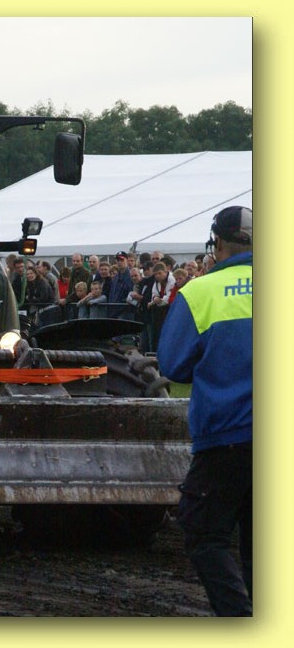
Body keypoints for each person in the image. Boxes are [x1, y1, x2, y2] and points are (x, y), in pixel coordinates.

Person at [157, 206, 252, 617]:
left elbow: (173, 364)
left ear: (217, 244)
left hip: (226, 438)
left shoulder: (200, 292)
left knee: (204, 536)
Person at [108, 250, 134, 318]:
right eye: (118, 260)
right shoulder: (116, 277)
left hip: (126, 312)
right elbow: (112, 295)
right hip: (114, 312)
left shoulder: (132, 276)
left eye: (122, 260)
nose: (119, 262)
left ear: (127, 260)